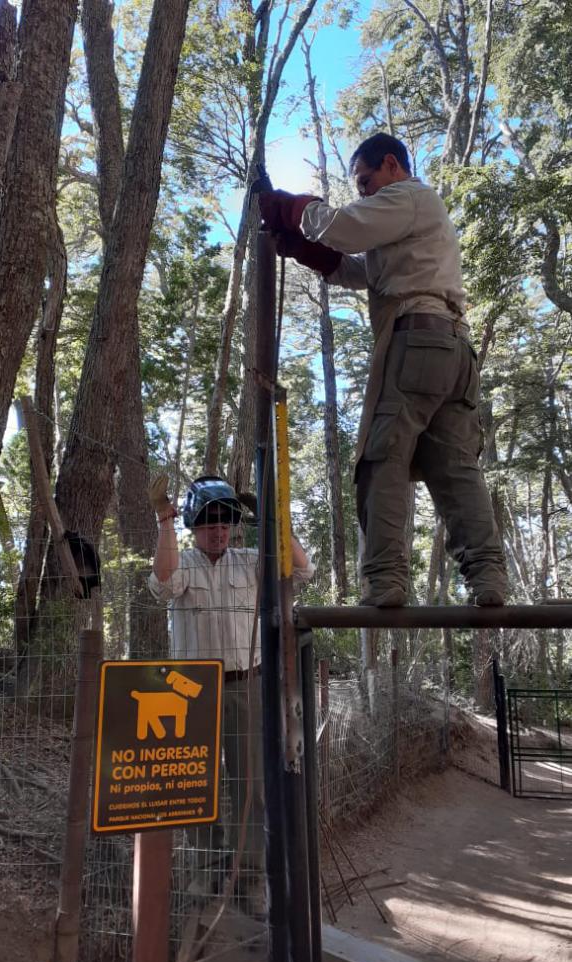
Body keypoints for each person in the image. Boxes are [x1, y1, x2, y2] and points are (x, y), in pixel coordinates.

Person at [259, 131, 508, 608]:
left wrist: (295, 209)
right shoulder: (412, 216)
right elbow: (360, 271)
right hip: (453, 350)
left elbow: (344, 228)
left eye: (365, 181)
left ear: (392, 165)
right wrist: (306, 250)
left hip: (414, 340)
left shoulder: (407, 194)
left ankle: (386, 581)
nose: (364, 192)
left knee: (382, 458)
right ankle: (488, 576)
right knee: (455, 467)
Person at [148, 473, 315, 912]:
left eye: (225, 521)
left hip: (247, 685)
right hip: (190, 691)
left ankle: (251, 878)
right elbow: (163, 581)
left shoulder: (250, 560)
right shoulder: (182, 560)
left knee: (250, 788)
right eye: (208, 521)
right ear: (193, 525)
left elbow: (302, 568)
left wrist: (272, 520)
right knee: (194, 785)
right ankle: (206, 871)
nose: (219, 529)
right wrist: (164, 519)